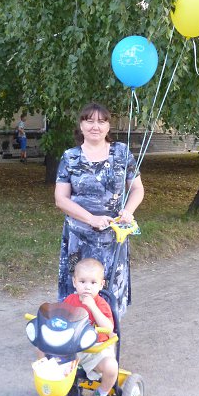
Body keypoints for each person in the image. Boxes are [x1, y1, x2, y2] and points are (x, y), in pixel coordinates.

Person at [55, 102, 144, 318]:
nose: (95, 126)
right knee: (77, 294)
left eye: (101, 121)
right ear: (81, 125)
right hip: (78, 240)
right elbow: (61, 199)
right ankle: (76, 333)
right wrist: (91, 219)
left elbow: (137, 189)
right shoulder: (70, 157)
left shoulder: (122, 153)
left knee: (109, 292)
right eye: (90, 121)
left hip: (113, 238)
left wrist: (128, 211)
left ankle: (107, 332)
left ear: (108, 126)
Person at [63, 257, 118, 396]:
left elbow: (109, 328)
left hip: (96, 349)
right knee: (46, 350)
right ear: (74, 282)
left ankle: (101, 393)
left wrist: (93, 307)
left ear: (101, 284)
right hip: (74, 347)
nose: (87, 287)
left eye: (93, 283)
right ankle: (63, 388)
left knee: (111, 367)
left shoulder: (102, 304)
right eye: (82, 282)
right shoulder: (70, 300)